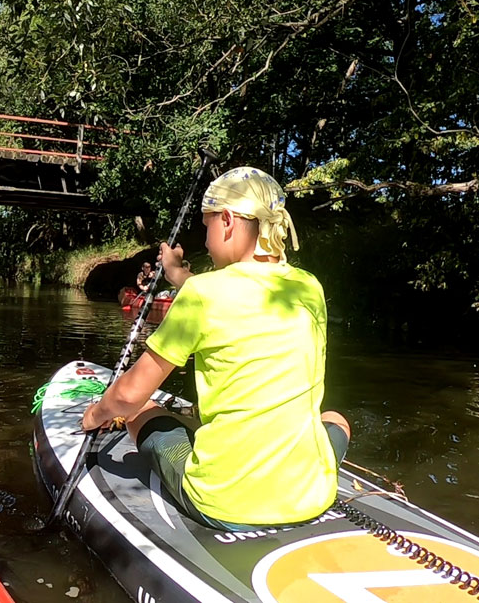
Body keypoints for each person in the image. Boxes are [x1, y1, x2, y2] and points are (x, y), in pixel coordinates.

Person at [82, 167, 349, 531]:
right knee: (336, 420)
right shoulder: (308, 287)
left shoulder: (203, 294)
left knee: (140, 409)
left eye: (206, 226)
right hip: (312, 497)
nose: (206, 242)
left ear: (227, 221)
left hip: (225, 504)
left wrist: (94, 416)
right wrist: (178, 276)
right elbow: (239, 295)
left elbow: (128, 394)